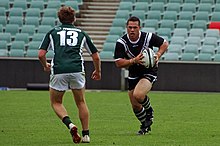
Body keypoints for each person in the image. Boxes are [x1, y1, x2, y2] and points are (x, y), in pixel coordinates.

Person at [38, 6, 101, 143]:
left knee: (56, 102)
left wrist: (45, 65)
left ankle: (70, 124)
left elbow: (41, 54)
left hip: (59, 70)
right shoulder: (81, 33)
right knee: (81, 102)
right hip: (77, 69)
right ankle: (86, 135)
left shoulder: (52, 32)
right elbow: (96, 57)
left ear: (59, 19)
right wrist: (98, 71)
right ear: (74, 18)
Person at [114, 16, 168, 135]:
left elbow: (164, 43)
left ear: (139, 28)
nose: (132, 30)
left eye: (135, 27)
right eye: (130, 27)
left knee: (138, 95)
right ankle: (145, 126)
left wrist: (158, 55)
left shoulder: (148, 37)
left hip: (149, 71)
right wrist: (134, 61)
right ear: (126, 28)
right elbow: (118, 62)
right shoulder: (121, 42)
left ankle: (149, 111)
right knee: (135, 106)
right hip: (133, 73)